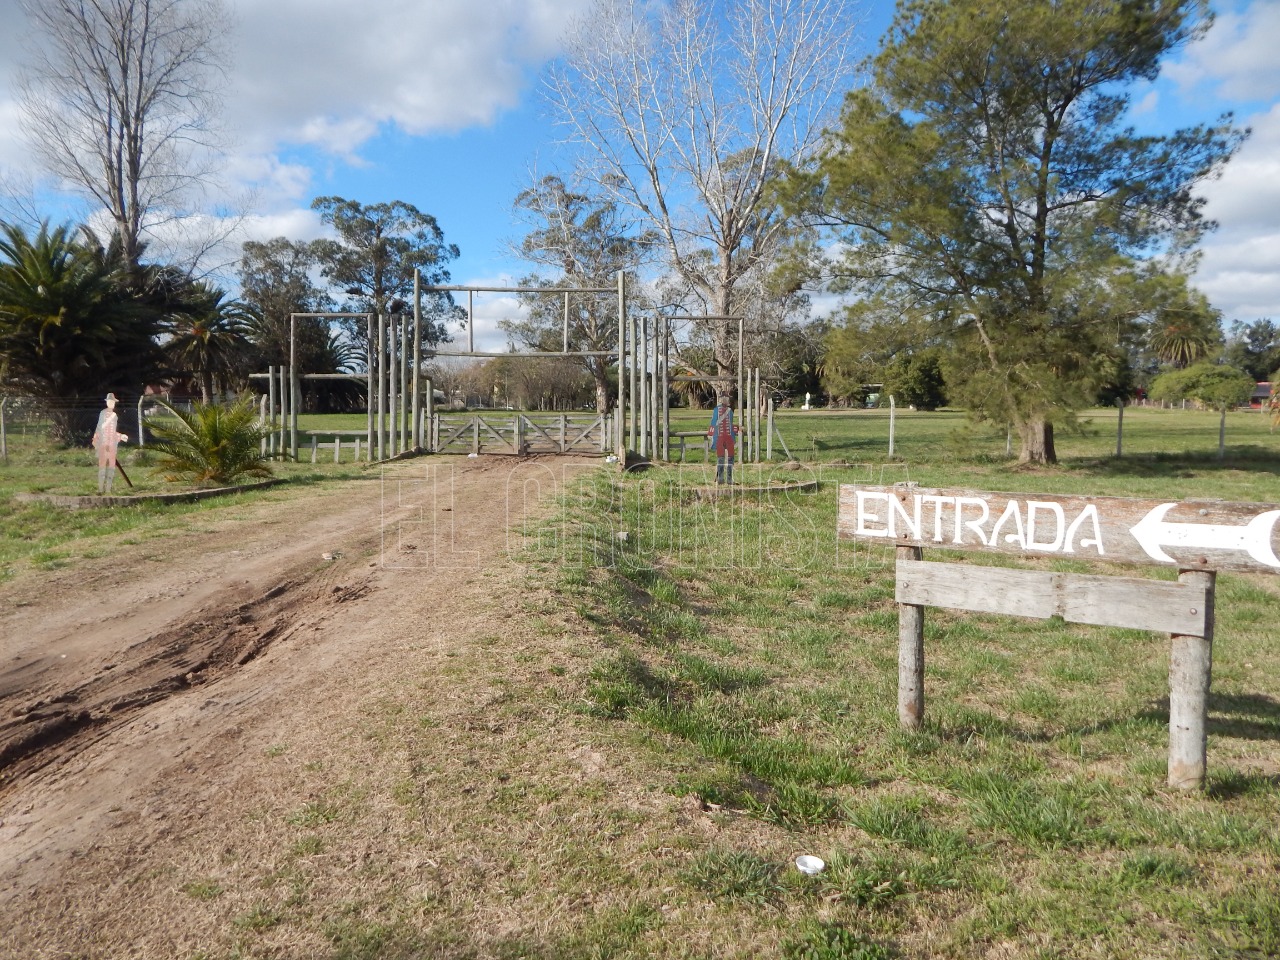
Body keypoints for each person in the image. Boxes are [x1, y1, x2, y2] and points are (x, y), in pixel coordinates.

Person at [92, 393, 129, 494]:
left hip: (112, 444)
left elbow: (112, 432)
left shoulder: (114, 416)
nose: (112, 404)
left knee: (112, 467)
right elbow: (100, 428)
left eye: (113, 402)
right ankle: (100, 488)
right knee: (103, 466)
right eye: (110, 402)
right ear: (107, 402)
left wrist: (121, 436)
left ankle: (108, 489)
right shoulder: (103, 414)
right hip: (103, 443)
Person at [706, 395, 739, 485]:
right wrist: (711, 435)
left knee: (727, 458)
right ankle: (723, 478)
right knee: (724, 458)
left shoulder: (728, 411)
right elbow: (714, 423)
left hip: (725, 437)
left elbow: (729, 425)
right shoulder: (720, 410)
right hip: (722, 437)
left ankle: (726, 479)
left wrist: (738, 429)